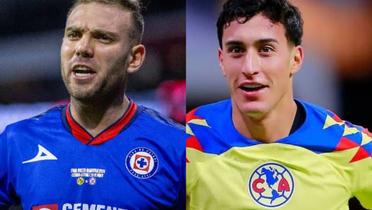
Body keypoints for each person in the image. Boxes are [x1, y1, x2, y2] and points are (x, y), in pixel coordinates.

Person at [186, 0, 372, 209]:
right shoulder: (187, 141)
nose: (250, 67)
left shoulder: (351, 146)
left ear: (296, 59)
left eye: (266, 49)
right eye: (237, 50)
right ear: (222, 60)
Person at [0, 0, 185, 209]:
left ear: (134, 58)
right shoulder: (17, 141)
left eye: (102, 38)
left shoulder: (177, 148)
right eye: (74, 35)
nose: (82, 48)